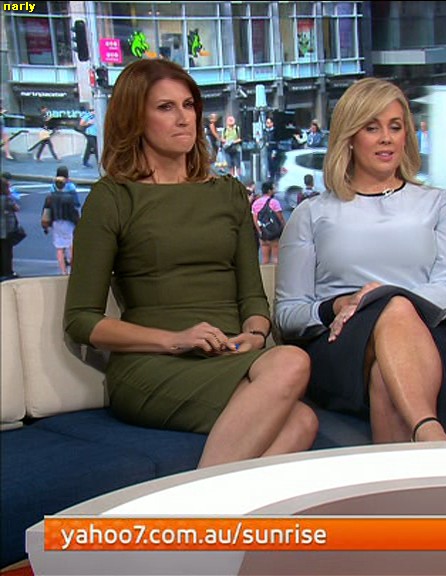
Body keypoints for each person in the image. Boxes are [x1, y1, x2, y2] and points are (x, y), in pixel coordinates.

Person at [63, 58, 317, 468]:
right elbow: (81, 321)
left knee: (302, 420)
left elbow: (252, 296)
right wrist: (176, 339)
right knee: (293, 368)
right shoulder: (113, 198)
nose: (184, 118)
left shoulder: (228, 193)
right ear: (134, 118)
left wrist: (255, 333)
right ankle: (198, 503)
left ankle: (198, 505)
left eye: (189, 105)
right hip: (153, 363)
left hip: (228, 354)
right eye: (166, 107)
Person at [275, 77, 446, 443]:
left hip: (429, 340)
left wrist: (385, 298)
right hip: (342, 344)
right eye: (372, 128)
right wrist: (336, 306)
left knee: (388, 361)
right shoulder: (311, 213)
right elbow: (288, 315)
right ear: (350, 137)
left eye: (395, 127)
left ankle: (422, 441)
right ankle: (430, 434)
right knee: (392, 316)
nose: (386, 138)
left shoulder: (438, 204)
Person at [41, 166, 81, 275]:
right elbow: (74, 211)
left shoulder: (50, 196)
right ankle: (72, 268)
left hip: (56, 223)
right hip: (68, 223)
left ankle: (63, 271)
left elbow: (46, 211)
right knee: (71, 245)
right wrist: (78, 223)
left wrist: (45, 226)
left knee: (59, 248)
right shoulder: (69, 197)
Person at [251, 180, 285, 265]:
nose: (275, 190)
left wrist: (260, 231)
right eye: (273, 188)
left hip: (263, 234)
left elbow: (255, 219)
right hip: (274, 234)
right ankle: (274, 273)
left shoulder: (256, 203)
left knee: (265, 259)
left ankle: (265, 273)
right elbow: (280, 218)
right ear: (269, 191)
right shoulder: (274, 202)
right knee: (275, 258)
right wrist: (283, 229)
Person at [0, 176, 20, 278]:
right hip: (7, 229)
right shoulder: (7, 199)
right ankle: (8, 272)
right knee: (7, 252)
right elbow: (17, 208)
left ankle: (1, 271)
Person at [80, 104, 98, 168]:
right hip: (89, 134)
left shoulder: (97, 115)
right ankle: (99, 161)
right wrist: (88, 123)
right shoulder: (88, 115)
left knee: (88, 148)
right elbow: (81, 123)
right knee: (96, 148)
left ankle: (85, 162)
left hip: (96, 134)